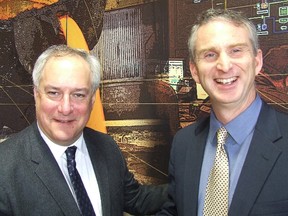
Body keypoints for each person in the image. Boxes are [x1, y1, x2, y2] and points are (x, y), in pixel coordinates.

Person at [0, 45, 167, 216]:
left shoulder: (106, 146)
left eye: (78, 95)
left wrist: (192, 181)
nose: (65, 108)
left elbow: (136, 199)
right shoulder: (4, 166)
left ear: (92, 99)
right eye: (54, 93)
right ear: (36, 94)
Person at [157, 8, 288, 216]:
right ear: (194, 71)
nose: (224, 65)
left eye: (236, 51)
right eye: (210, 54)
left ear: (257, 62)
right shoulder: (183, 144)